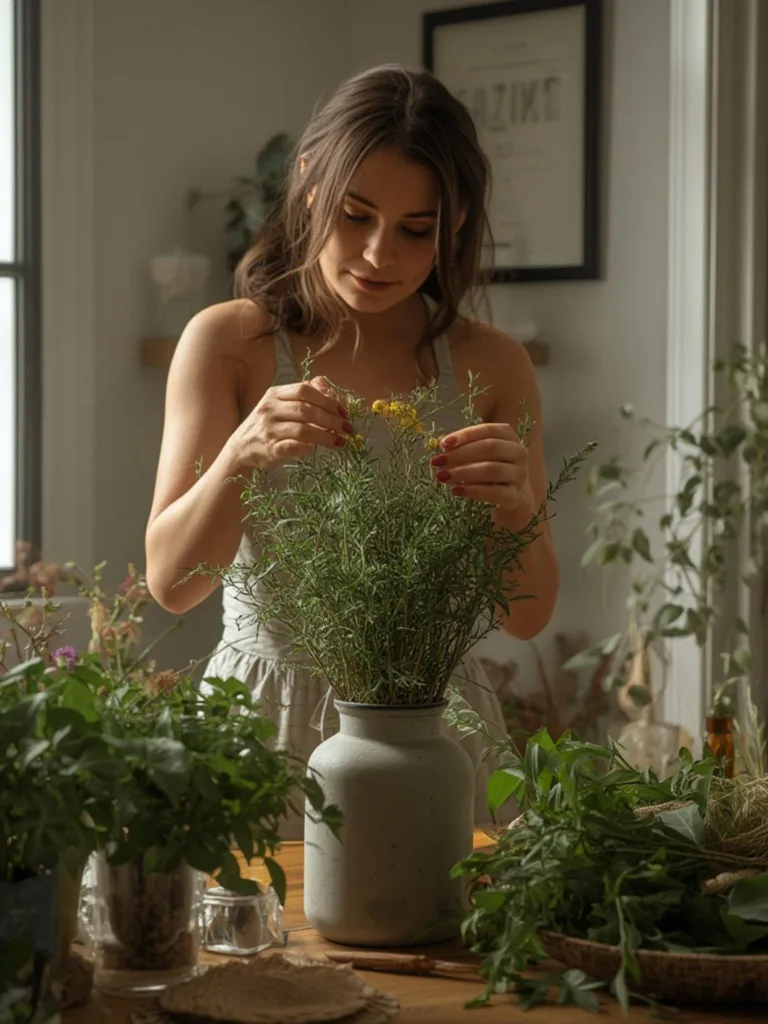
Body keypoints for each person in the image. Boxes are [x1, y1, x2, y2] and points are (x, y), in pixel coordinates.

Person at [145, 64, 559, 837]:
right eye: (354, 215)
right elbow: (170, 583)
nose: (378, 254)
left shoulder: (493, 365)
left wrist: (519, 505)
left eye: (415, 229)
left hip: (436, 730)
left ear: (458, 221)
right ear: (307, 184)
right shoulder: (230, 343)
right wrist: (241, 455)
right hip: (261, 730)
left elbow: (531, 615)